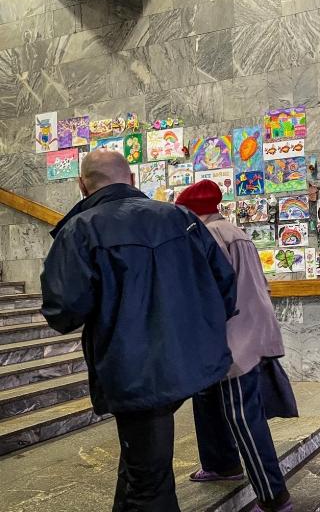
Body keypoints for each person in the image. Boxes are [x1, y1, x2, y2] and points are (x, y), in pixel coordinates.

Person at [40, 150, 238, 512]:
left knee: (150, 484)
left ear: (82, 184)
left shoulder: (80, 229)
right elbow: (224, 285)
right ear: (132, 179)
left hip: (132, 368)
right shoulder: (181, 218)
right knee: (143, 460)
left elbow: (63, 312)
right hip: (188, 359)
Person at [175, 181, 293, 512]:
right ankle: (221, 463)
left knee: (243, 415)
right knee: (207, 398)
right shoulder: (234, 231)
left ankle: (274, 497)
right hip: (251, 330)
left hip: (232, 338)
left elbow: (210, 292)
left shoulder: (207, 234)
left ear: (190, 212)